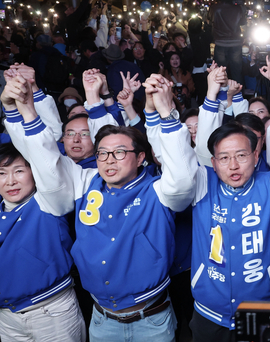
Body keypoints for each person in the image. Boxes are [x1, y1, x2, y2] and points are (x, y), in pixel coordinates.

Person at [2, 71, 193, 342]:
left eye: (119, 153)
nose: (109, 160)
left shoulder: (157, 189)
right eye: (102, 153)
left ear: (140, 158)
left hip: (151, 318)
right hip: (102, 320)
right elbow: (43, 158)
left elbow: (183, 180)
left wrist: (165, 113)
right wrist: (19, 109)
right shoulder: (85, 181)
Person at [182, 69, 270, 341]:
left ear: (256, 157)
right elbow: (193, 155)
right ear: (214, 162)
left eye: (242, 155)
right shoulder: (202, 182)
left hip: (263, 311)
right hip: (209, 314)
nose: (233, 165)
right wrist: (211, 95)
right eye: (225, 158)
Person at [0, 143, 86, 342]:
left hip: (51, 311)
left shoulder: (47, 201)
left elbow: (46, 159)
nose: (10, 181)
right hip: (6, 318)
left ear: (34, 172)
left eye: (19, 171)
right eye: (2, 173)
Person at [211, 0, 244, 84]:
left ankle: (222, 95)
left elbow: (209, 22)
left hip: (220, 42)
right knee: (236, 72)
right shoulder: (238, 9)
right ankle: (238, 95)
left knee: (220, 73)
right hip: (236, 42)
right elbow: (243, 24)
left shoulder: (214, 8)